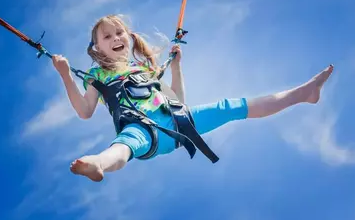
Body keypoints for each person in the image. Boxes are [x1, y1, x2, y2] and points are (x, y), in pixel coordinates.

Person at [52, 14, 333, 182]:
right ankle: (99, 164)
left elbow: (178, 100)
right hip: (142, 130)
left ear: (128, 36)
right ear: (97, 47)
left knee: (230, 107)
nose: (115, 37)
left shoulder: (146, 69)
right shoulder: (96, 75)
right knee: (125, 144)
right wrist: (66, 74)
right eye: (106, 36)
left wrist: (175, 67)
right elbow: (85, 110)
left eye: (119, 32)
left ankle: (302, 94)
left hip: (178, 123)